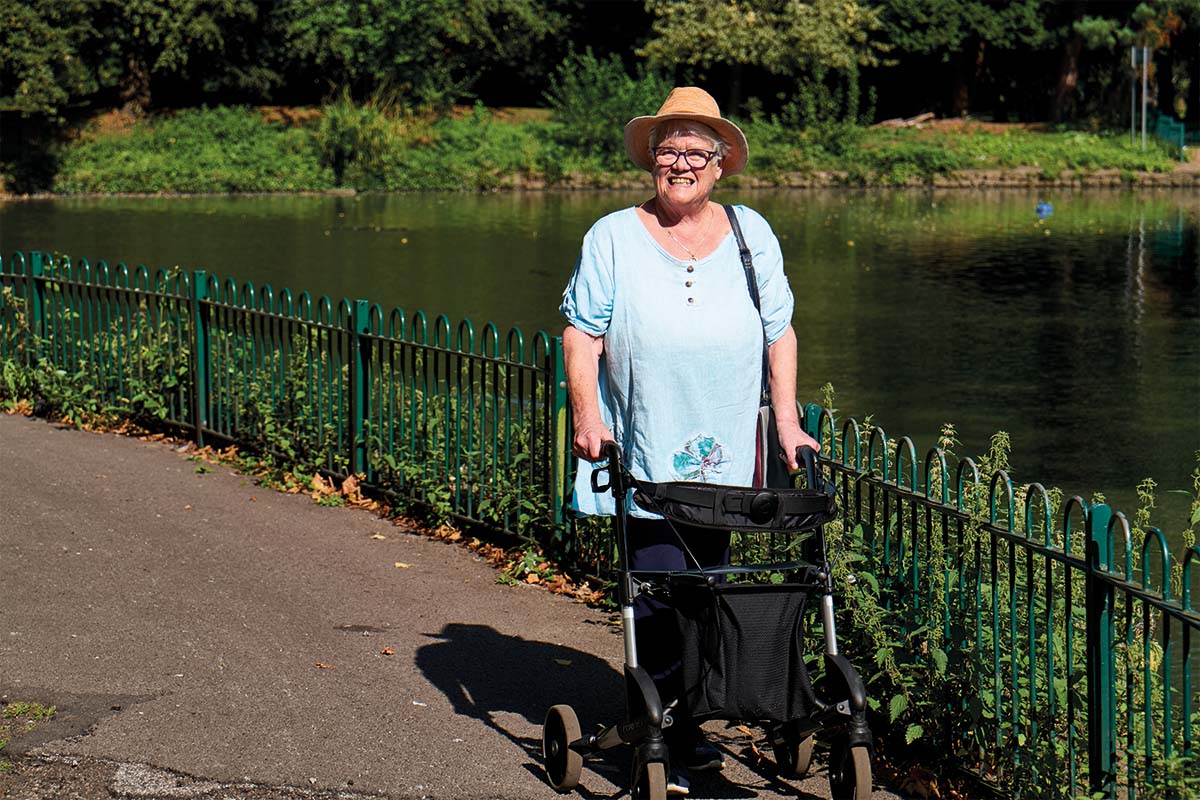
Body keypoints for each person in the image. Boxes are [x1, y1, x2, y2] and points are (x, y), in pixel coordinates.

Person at [559, 86, 820, 795]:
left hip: (728, 454)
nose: (681, 162)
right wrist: (588, 416)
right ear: (651, 158)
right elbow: (581, 333)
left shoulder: (749, 233)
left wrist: (789, 420)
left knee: (712, 589)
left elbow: (780, 331)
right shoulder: (612, 236)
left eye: (696, 150)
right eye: (668, 148)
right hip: (645, 450)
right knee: (659, 587)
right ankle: (660, 732)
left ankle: (686, 723)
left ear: (720, 162)